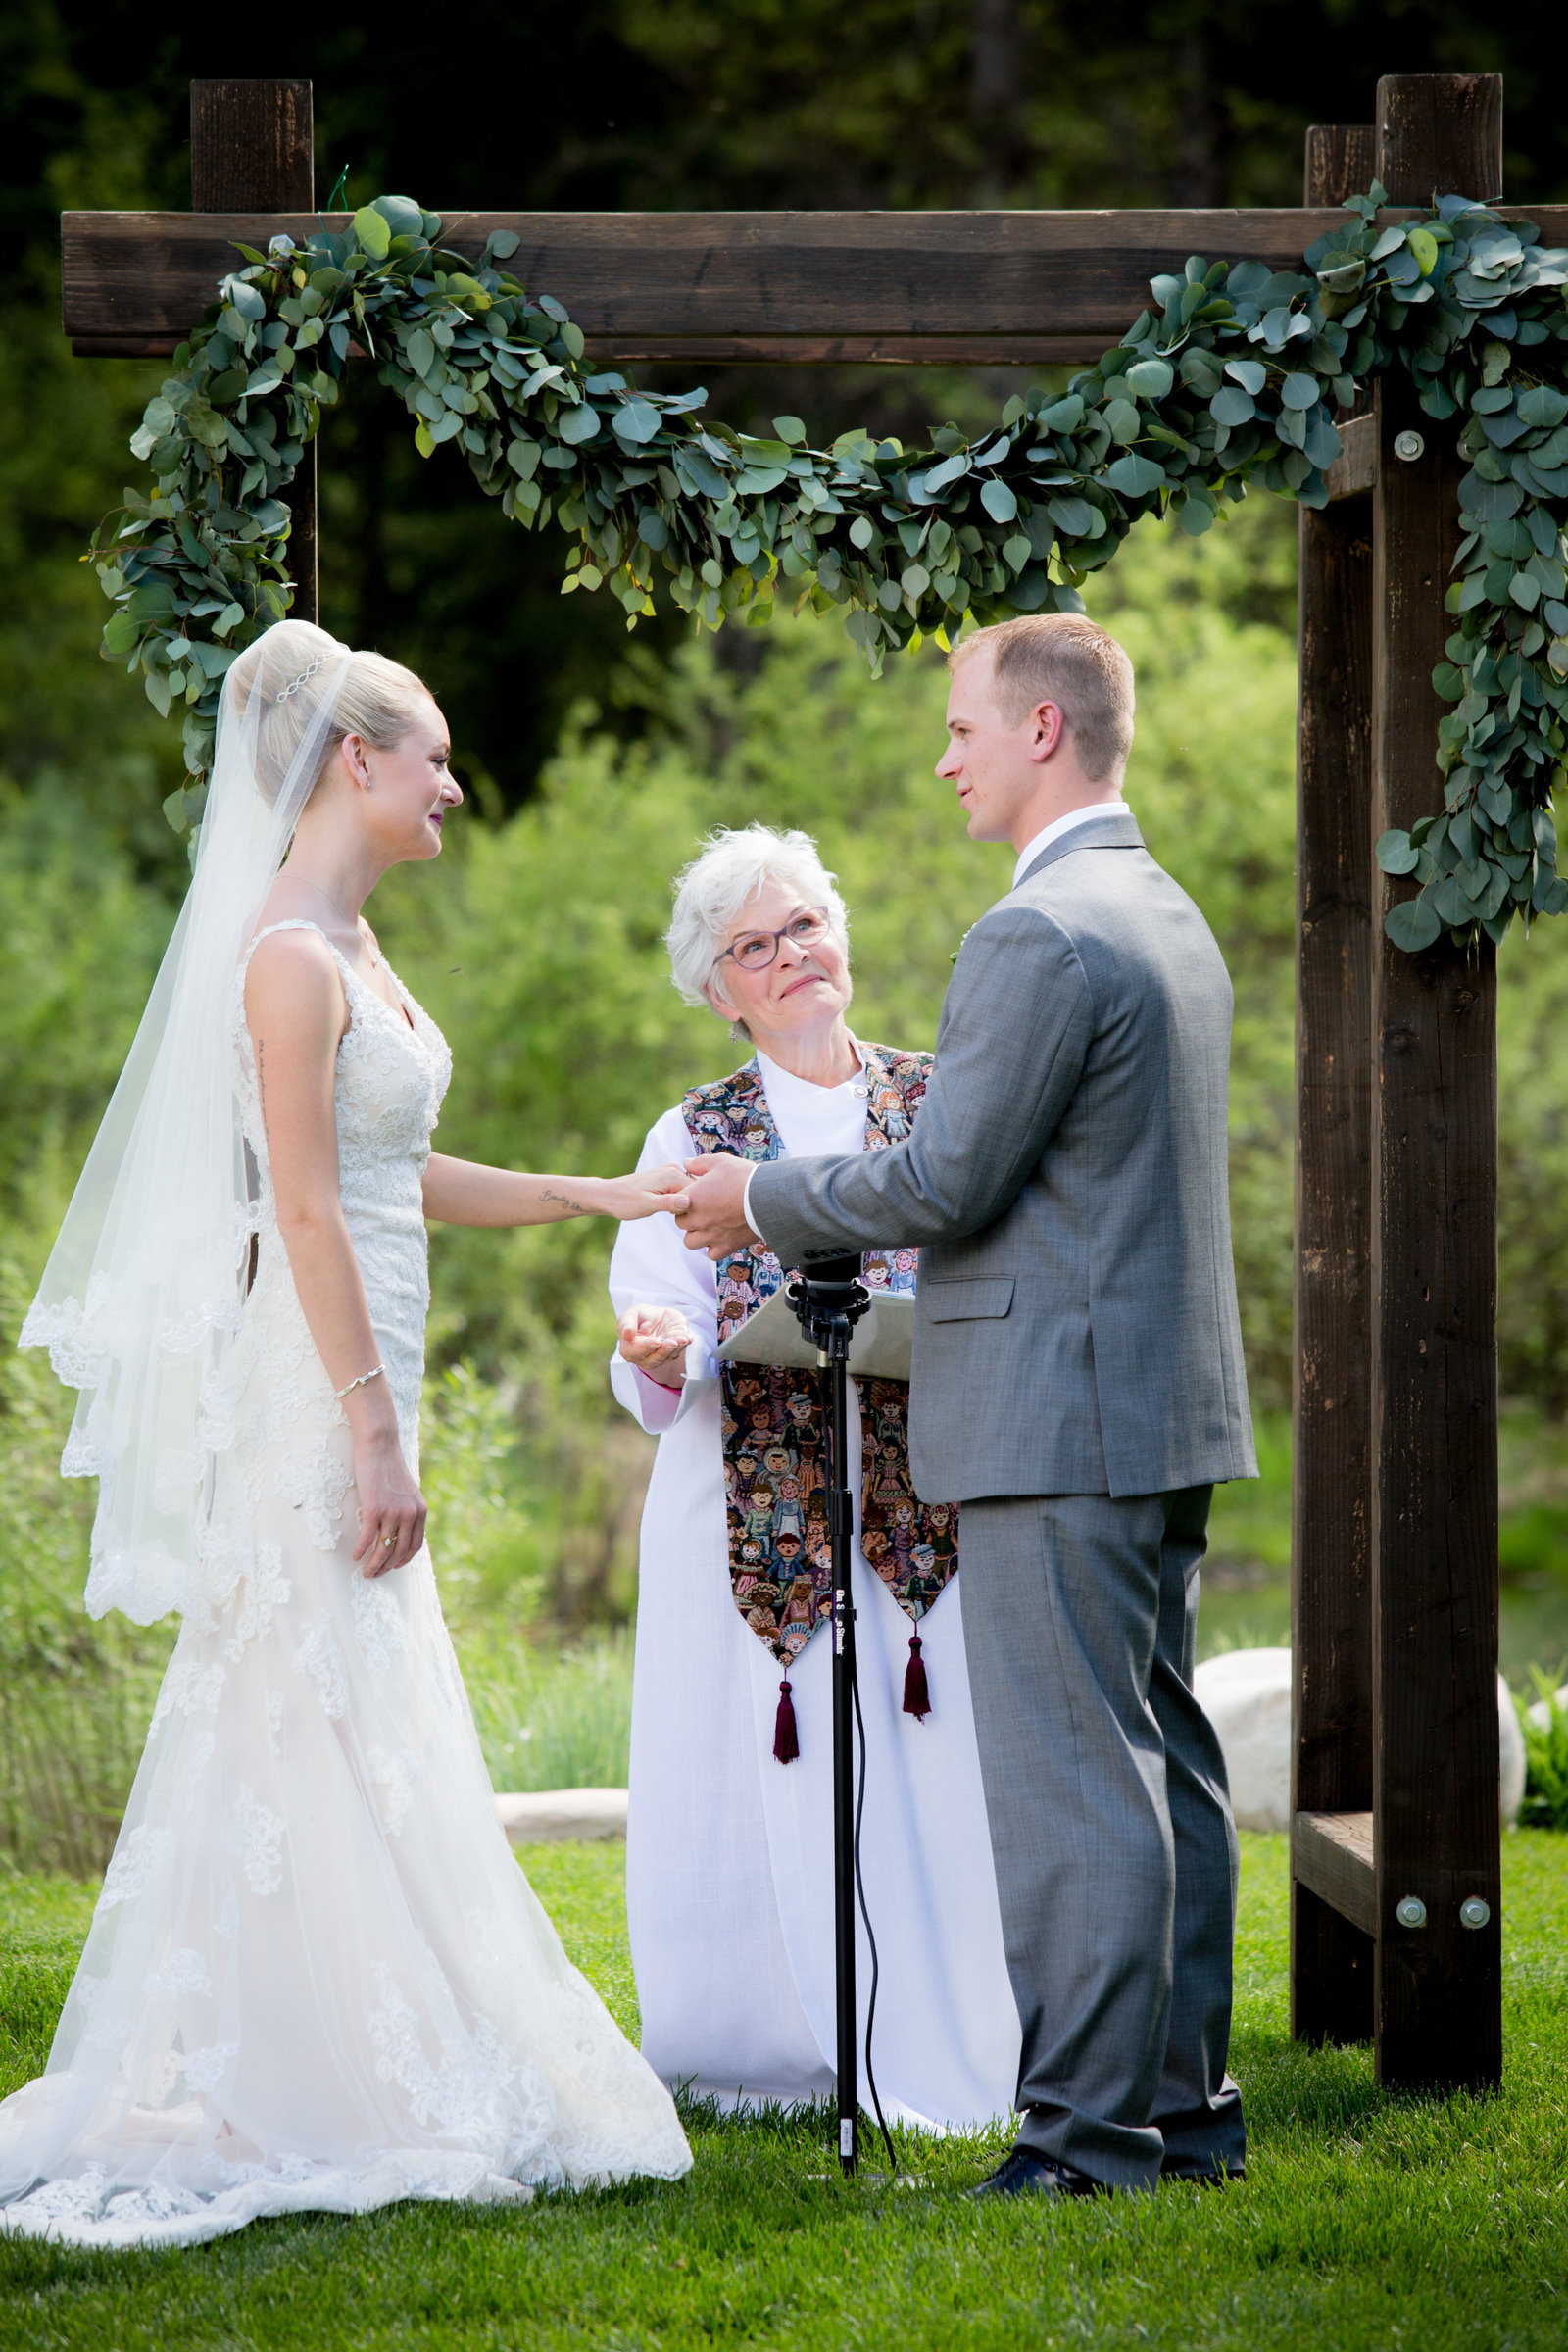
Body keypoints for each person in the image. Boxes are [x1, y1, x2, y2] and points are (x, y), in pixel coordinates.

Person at [0, 619, 691, 2247]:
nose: (455, 781)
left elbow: (399, 1175)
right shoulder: (286, 958)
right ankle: (298, 2071)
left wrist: (587, 1193)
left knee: (337, 1701)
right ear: (355, 762)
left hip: (357, 1354)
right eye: (435, 755)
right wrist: (378, 1434)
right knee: (300, 1691)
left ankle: (328, 2037)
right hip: (313, 1387)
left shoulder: (361, 949)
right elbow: (303, 1208)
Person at [676, 616, 1256, 2198]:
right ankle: (1186, 2115)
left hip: (1058, 1423)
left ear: (1043, 734)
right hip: (1158, 1404)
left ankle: (1082, 2142)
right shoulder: (1165, 910)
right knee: (1164, 1764)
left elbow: (946, 1175)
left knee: (1077, 1780)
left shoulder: (1038, 933)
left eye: (960, 729)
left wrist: (761, 1199)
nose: (945, 759)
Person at [609, 825, 1018, 2127]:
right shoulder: (689, 1131)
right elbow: (651, 1333)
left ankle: (947, 2019)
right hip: (748, 1502)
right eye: (753, 946)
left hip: (925, 1492)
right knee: (756, 1762)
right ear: (717, 988)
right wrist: (662, 1348)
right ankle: (771, 2038)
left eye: (804, 927)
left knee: (930, 1752)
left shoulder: (939, 1100)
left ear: (840, 937)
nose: (789, 956)